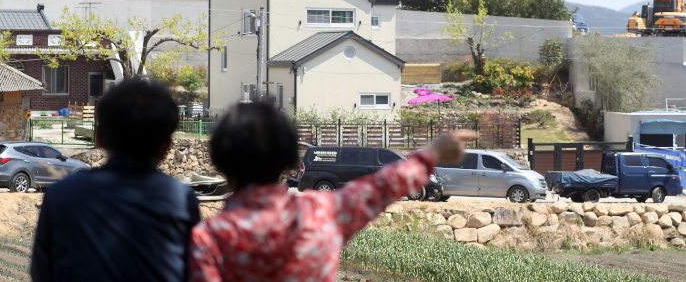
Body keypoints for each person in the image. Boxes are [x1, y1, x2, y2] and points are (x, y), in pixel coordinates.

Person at [189, 102, 475, 282]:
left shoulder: (208, 242)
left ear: (219, 162)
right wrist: (431, 154)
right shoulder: (322, 213)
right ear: (287, 159)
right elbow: (381, 187)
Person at [31, 79, 200, 282]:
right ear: (166, 147)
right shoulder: (181, 199)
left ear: (98, 137)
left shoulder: (60, 196)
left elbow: (42, 274)